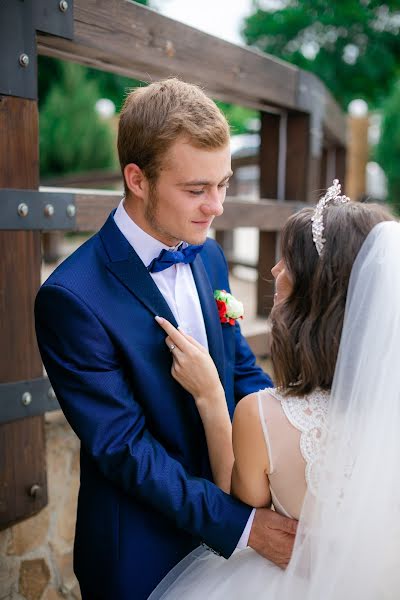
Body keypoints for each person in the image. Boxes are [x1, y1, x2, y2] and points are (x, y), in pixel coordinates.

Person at [34, 78, 297, 600]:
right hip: (141, 549)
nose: (217, 207)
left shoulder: (209, 255)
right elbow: (124, 450)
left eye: (222, 184)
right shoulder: (71, 298)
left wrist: (299, 438)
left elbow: (239, 368)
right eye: (197, 190)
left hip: (234, 509)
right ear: (137, 178)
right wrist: (243, 524)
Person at [151, 180, 400, 599]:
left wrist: (213, 399)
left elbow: (237, 497)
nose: (274, 270)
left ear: (315, 293)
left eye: (288, 261)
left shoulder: (262, 415)